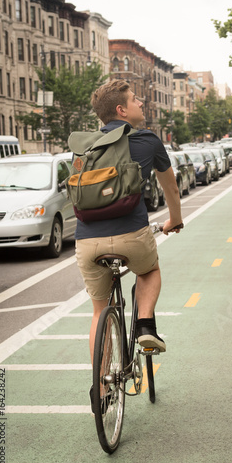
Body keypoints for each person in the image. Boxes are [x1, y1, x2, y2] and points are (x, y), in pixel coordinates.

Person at [74, 79, 183, 375]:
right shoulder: (147, 140)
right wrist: (175, 219)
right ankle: (146, 324)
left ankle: (101, 384)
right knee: (149, 271)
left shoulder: (84, 146)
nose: (141, 103)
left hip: (87, 242)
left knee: (99, 311)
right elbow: (170, 188)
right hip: (132, 236)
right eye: (135, 100)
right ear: (122, 110)